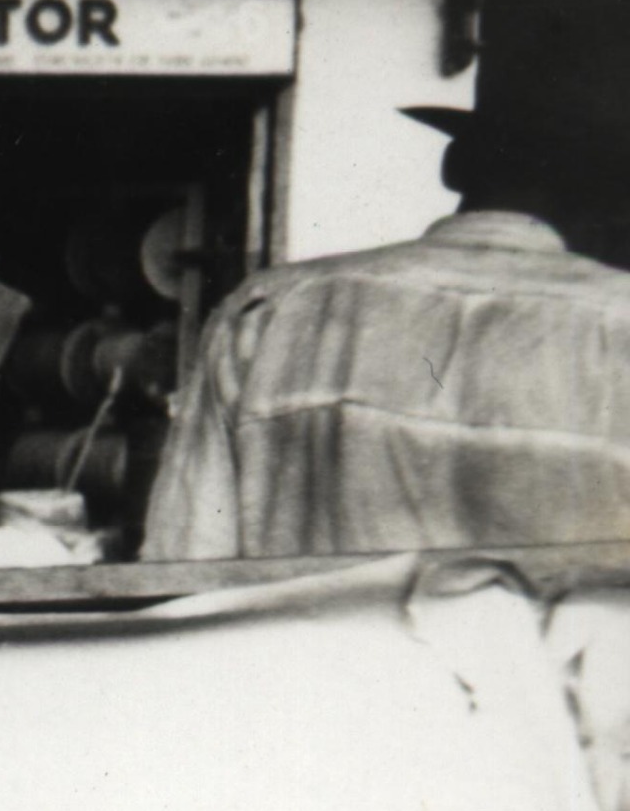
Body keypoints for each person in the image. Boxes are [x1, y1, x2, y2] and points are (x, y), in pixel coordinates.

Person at [141, 94, 630, 561]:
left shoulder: (271, 306)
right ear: (599, 199)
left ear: (453, 168)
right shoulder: (617, 318)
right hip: (540, 651)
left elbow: (187, 551)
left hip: (317, 649)